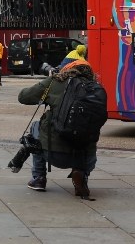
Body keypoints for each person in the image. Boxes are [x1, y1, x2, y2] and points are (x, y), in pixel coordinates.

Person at [16, 58, 100, 198]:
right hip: (84, 157)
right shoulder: (96, 88)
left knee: (36, 126)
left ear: (67, 69)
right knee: (90, 130)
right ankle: (81, 174)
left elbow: (23, 97)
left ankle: (39, 178)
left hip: (53, 153)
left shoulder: (56, 82)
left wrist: (47, 85)